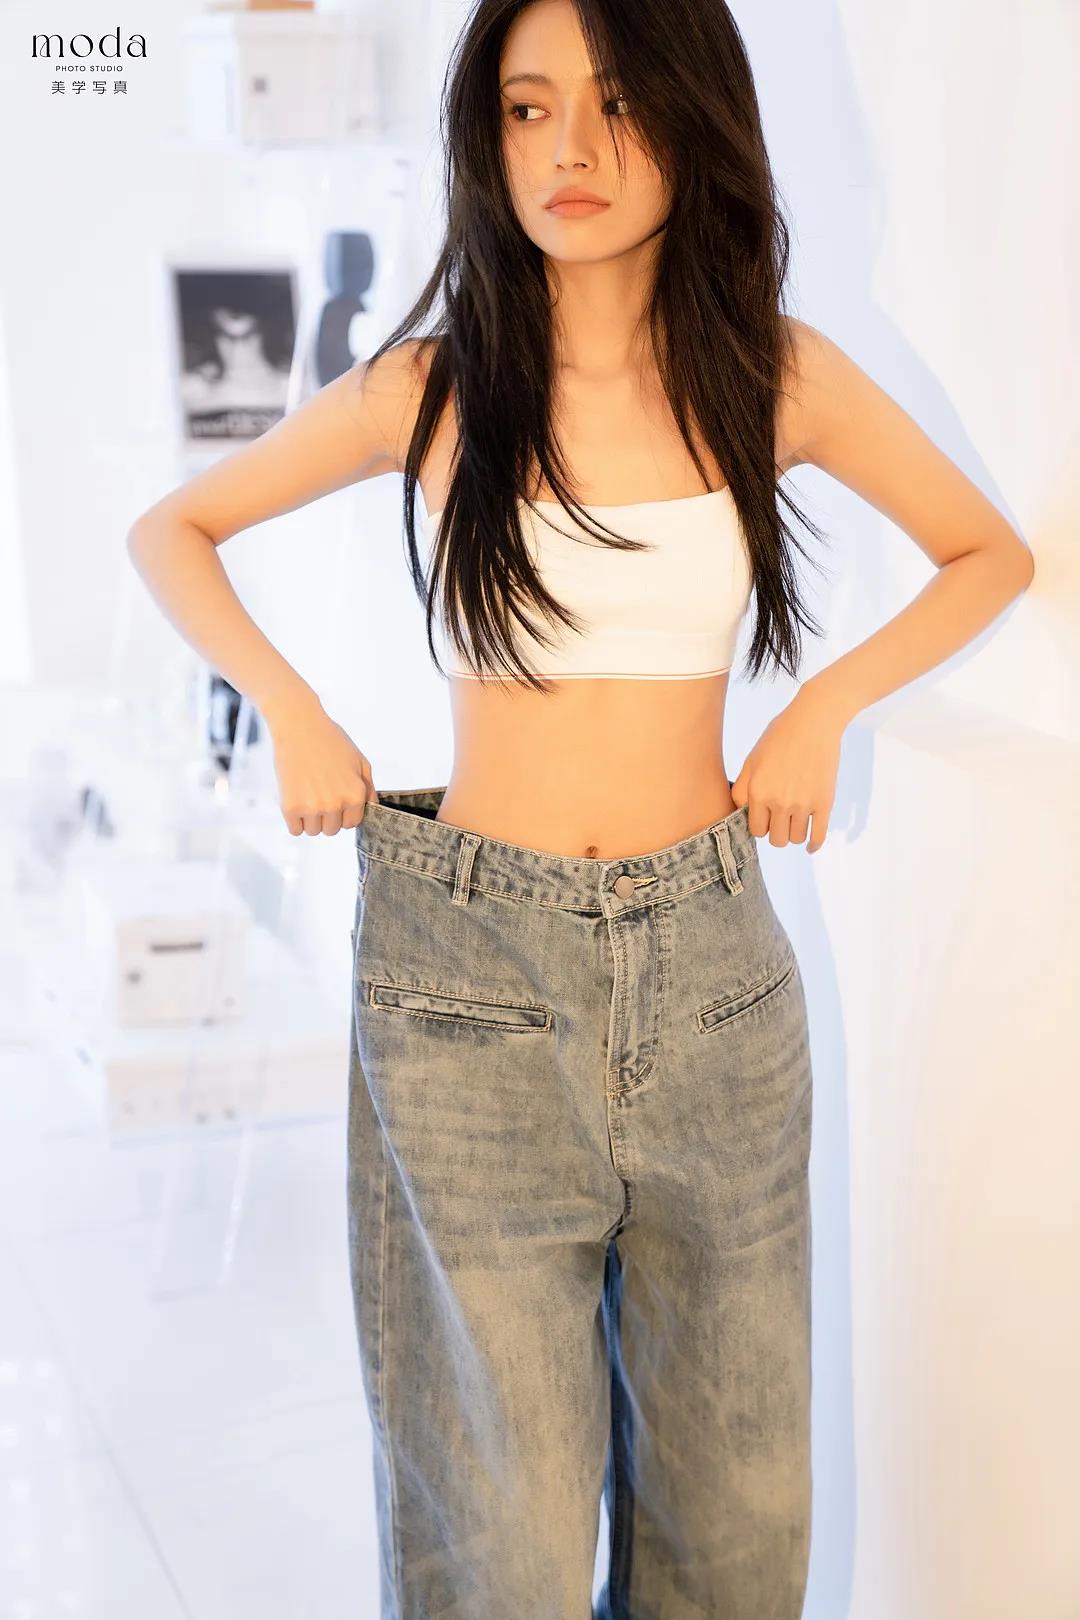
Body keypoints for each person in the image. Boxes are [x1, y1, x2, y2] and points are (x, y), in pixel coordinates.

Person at [127, 1, 1034, 1613]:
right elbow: (173, 531)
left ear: (693, 121)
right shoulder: (433, 388)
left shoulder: (775, 377)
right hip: (467, 991)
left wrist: (820, 707)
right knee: (501, 1552)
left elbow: (989, 554)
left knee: (735, 1542)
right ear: (487, 138)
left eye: (616, 106)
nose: (570, 149)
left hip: (716, 987)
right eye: (529, 108)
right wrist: (293, 709)